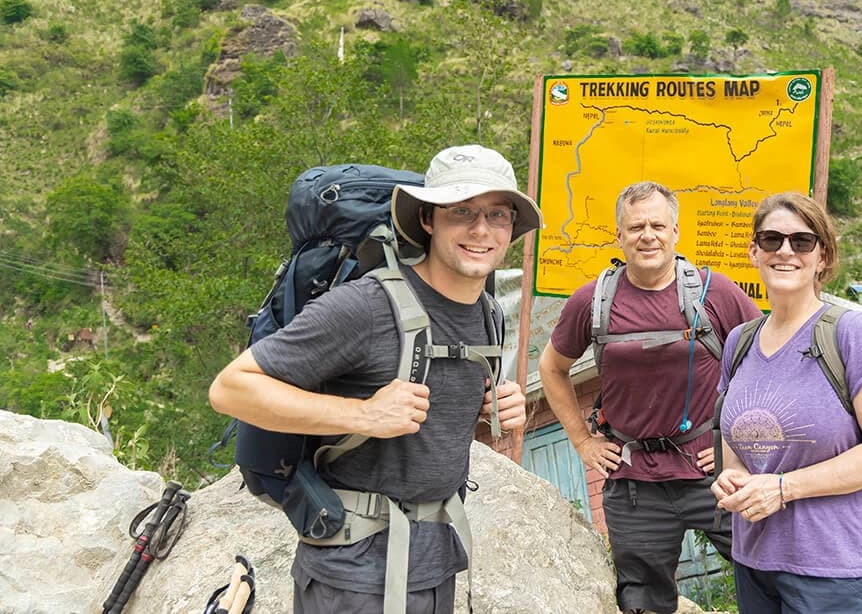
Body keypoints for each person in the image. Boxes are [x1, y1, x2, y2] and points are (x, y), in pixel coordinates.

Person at [209, 144, 543, 614]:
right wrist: (363, 413)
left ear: (513, 226)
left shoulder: (487, 315)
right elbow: (230, 388)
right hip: (352, 576)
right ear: (427, 218)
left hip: (436, 564)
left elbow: (429, 437)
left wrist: (492, 419)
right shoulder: (367, 306)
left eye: (497, 214)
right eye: (461, 211)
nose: (481, 229)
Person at [539, 181, 761, 614]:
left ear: (676, 231)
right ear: (619, 236)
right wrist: (583, 441)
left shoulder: (716, 293)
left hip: (712, 475)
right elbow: (551, 368)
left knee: (767, 574)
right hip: (634, 481)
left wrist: (737, 444)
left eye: (658, 225)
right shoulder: (593, 301)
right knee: (642, 602)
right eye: (636, 226)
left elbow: (767, 365)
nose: (648, 235)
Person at [710, 192, 862, 614]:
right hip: (755, 563)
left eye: (802, 242)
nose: (785, 251)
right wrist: (733, 479)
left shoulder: (851, 333)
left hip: (834, 569)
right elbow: (737, 454)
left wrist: (784, 489)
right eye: (771, 240)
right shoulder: (739, 342)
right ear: (754, 251)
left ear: (822, 257)